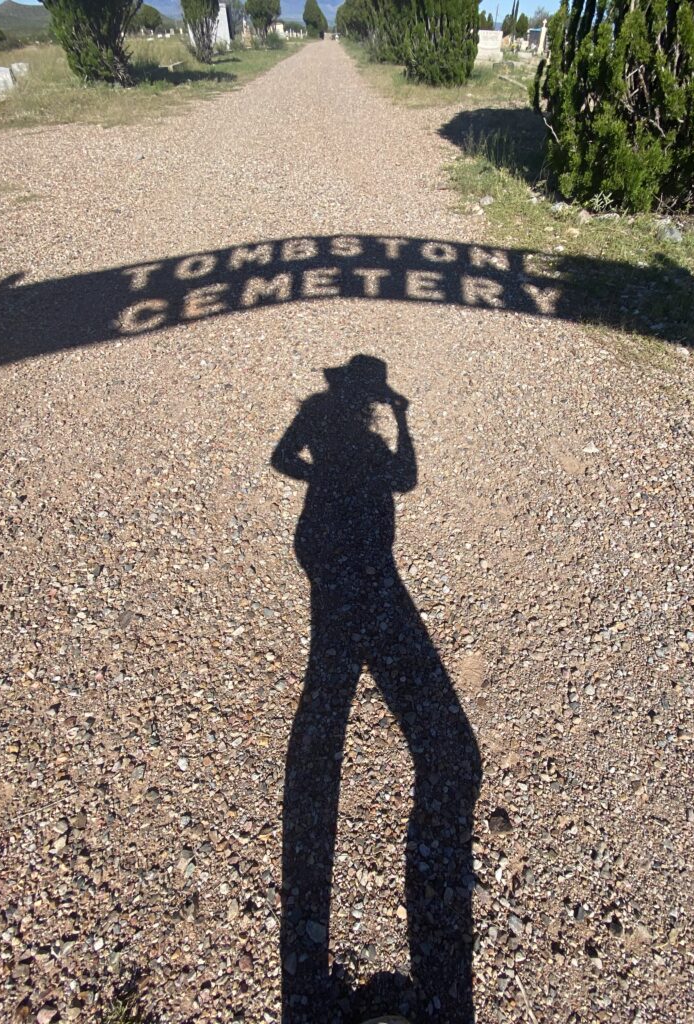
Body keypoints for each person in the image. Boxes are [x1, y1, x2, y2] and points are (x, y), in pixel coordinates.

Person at [272, 355, 481, 1024]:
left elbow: (283, 460)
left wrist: (323, 479)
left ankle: (316, 754)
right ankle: (317, 752)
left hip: (323, 542)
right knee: (351, 665)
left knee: (330, 668)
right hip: (361, 556)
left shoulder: (317, 413)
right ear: (370, 392)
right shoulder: (356, 426)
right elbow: (406, 478)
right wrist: (400, 424)